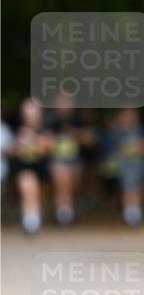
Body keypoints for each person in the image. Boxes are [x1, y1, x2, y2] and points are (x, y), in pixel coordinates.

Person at [45, 91, 93, 225]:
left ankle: (65, 211)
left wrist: (75, 134)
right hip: (57, 160)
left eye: (68, 101)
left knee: (71, 185)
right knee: (62, 178)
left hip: (76, 162)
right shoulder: (51, 121)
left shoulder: (79, 120)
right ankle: (64, 214)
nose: (65, 105)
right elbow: (45, 142)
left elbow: (90, 138)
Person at [10, 98, 53, 234]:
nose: (31, 116)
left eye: (34, 112)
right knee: (28, 184)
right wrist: (19, 144)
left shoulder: (46, 129)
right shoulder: (16, 129)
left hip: (42, 168)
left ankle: (33, 217)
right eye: (28, 112)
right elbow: (11, 150)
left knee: (35, 191)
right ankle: (31, 219)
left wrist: (32, 140)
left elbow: (47, 148)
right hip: (23, 167)